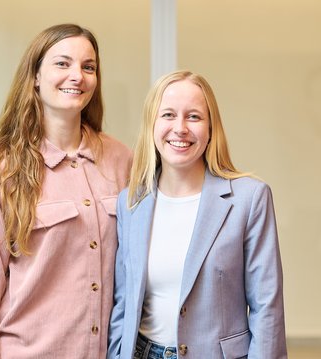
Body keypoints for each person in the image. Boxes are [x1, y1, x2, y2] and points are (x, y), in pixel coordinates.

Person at [0, 23, 132, 359]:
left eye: (88, 67)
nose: (77, 75)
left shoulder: (123, 161)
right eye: (62, 64)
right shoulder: (0, 170)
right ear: (35, 76)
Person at [107, 70, 287, 359]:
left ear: (211, 129)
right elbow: (123, 303)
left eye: (193, 116)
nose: (180, 128)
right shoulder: (130, 203)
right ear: (152, 125)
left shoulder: (249, 199)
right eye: (168, 115)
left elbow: (268, 308)